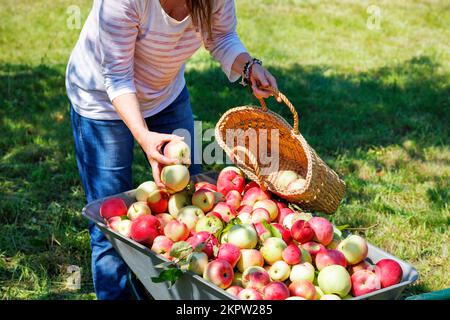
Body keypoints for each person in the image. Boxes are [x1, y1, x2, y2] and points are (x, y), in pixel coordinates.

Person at [66, 0, 279, 300]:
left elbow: (220, 36)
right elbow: (116, 77)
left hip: (166, 97)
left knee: (192, 206)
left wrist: (248, 66)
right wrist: (144, 138)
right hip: (101, 103)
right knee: (111, 228)